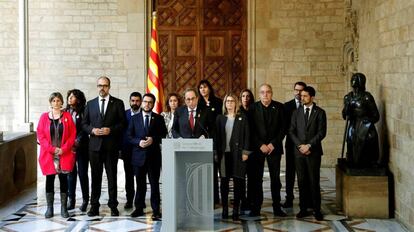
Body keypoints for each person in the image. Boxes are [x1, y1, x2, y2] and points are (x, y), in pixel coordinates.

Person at [82, 76, 127, 217]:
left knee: (112, 177)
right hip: (94, 147)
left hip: (111, 147)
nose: (102, 88)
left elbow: (123, 124)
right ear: (97, 87)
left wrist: (111, 130)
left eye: (105, 85)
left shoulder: (118, 103)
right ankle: (94, 206)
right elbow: (84, 124)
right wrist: (92, 130)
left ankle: (113, 205)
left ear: (109, 87)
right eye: (100, 85)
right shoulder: (90, 104)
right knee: (95, 177)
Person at [247, 84, 286, 217]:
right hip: (258, 149)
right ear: (259, 94)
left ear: (272, 93)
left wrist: (273, 144)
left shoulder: (280, 107)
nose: (265, 95)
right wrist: (260, 144)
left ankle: (277, 207)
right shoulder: (252, 108)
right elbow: (250, 130)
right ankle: (256, 207)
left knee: (275, 179)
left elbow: (283, 128)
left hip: (274, 149)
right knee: (256, 179)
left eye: (268, 92)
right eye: (262, 92)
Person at [127, 93, 167, 220]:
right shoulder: (134, 118)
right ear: (142, 103)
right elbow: (129, 136)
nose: (147, 104)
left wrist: (153, 139)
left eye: (150, 102)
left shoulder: (158, 118)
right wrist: (138, 142)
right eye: (145, 102)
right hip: (138, 157)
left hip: (153, 157)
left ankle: (156, 210)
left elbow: (163, 135)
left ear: (153, 104)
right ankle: (139, 208)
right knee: (140, 184)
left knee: (154, 184)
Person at [289, 86, 326, 221]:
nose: (301, 97)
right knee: (301, 181)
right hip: (299, 153)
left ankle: (317, 210)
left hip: (313, 152)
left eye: (305, 96)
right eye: (301, 95)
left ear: (312, 97)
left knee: (314, 181)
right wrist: (300, 146)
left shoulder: (320, 112)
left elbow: (322, 132)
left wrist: (309, 145)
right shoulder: (296, 112)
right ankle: (303, 209)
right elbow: (291, 131)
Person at [37, 92, 76, 218]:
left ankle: (64, 208)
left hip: (64, 154)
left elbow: (72, 134)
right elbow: (41, 136)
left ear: (62, 102)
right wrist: (52, 149)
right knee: (50, 180)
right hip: (49, 154)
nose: (56, 103)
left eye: (58, 100)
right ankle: (50, 208)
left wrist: (63, 149)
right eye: (53, 101)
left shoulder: (67, 116)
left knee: (64, 180)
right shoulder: (44, 117)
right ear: (50, 103)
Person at [215, 93, 251, 221]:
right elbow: (217, 137)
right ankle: (225, 209)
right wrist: (215, 153)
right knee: (224, 183)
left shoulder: (242, 118)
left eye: (231, 101)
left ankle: (236, 210)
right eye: (227, 101)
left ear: (236, 103)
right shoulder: (220, 118)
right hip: (224, 155)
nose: (229, 103)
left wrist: (246, 152)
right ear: (224, 104)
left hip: (238, 155)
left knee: (238, 183)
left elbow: (247, 136)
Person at [342, 73, 380, 168]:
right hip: (354, 124)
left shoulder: (367, 97)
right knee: (351, 141)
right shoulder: (348, 97)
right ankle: (353, 161)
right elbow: (344, 116)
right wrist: (347, 107)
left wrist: (368, 121)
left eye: (356, 78)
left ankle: (370, 163)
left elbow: (376, 115)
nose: (353, 80)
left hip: (365, 125)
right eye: (352, 78)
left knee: (369, 139)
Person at [198, 80, 223, 205]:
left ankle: (216, 198)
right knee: (207, 170)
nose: (203, 89)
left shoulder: (218, 102)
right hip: (203, 141)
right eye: (201, 87)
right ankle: (206, 198)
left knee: (217, 170)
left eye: (205, 87)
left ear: (209, 88)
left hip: (217, 139)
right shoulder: (198, 104)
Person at [282, 81, 306, 208]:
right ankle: (289, 198)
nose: (298, 93)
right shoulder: (287, 106)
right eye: (296, 90)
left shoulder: (309, 105)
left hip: (306, 145)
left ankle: (306, 199)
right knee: (290, 173)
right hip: (291, 144)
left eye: (301, 90)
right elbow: (285, 126)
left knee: (305, 174)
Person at [66, 89, 90, 212]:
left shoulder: (85, 111)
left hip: (82, 147)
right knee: (71, 175)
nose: (70, 98)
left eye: (73, 96)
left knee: (82, 174)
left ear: (79, 99)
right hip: (68, 148)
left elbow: (85, 127)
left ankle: (85, 200)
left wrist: (78, 140)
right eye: (69, 96)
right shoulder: (65, 112)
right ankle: (72, 200)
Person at [121, 92, 142, 209]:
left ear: (141, 101)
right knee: (128, 176)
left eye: (137, 101)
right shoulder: (124, 115)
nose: (135, 103)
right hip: (127, 150)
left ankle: (140, 199)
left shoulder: (144, 114)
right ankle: (129, 199)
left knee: (140, 176)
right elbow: (121, 133)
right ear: (129, 101)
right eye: (133, 101)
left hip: (140, 150)